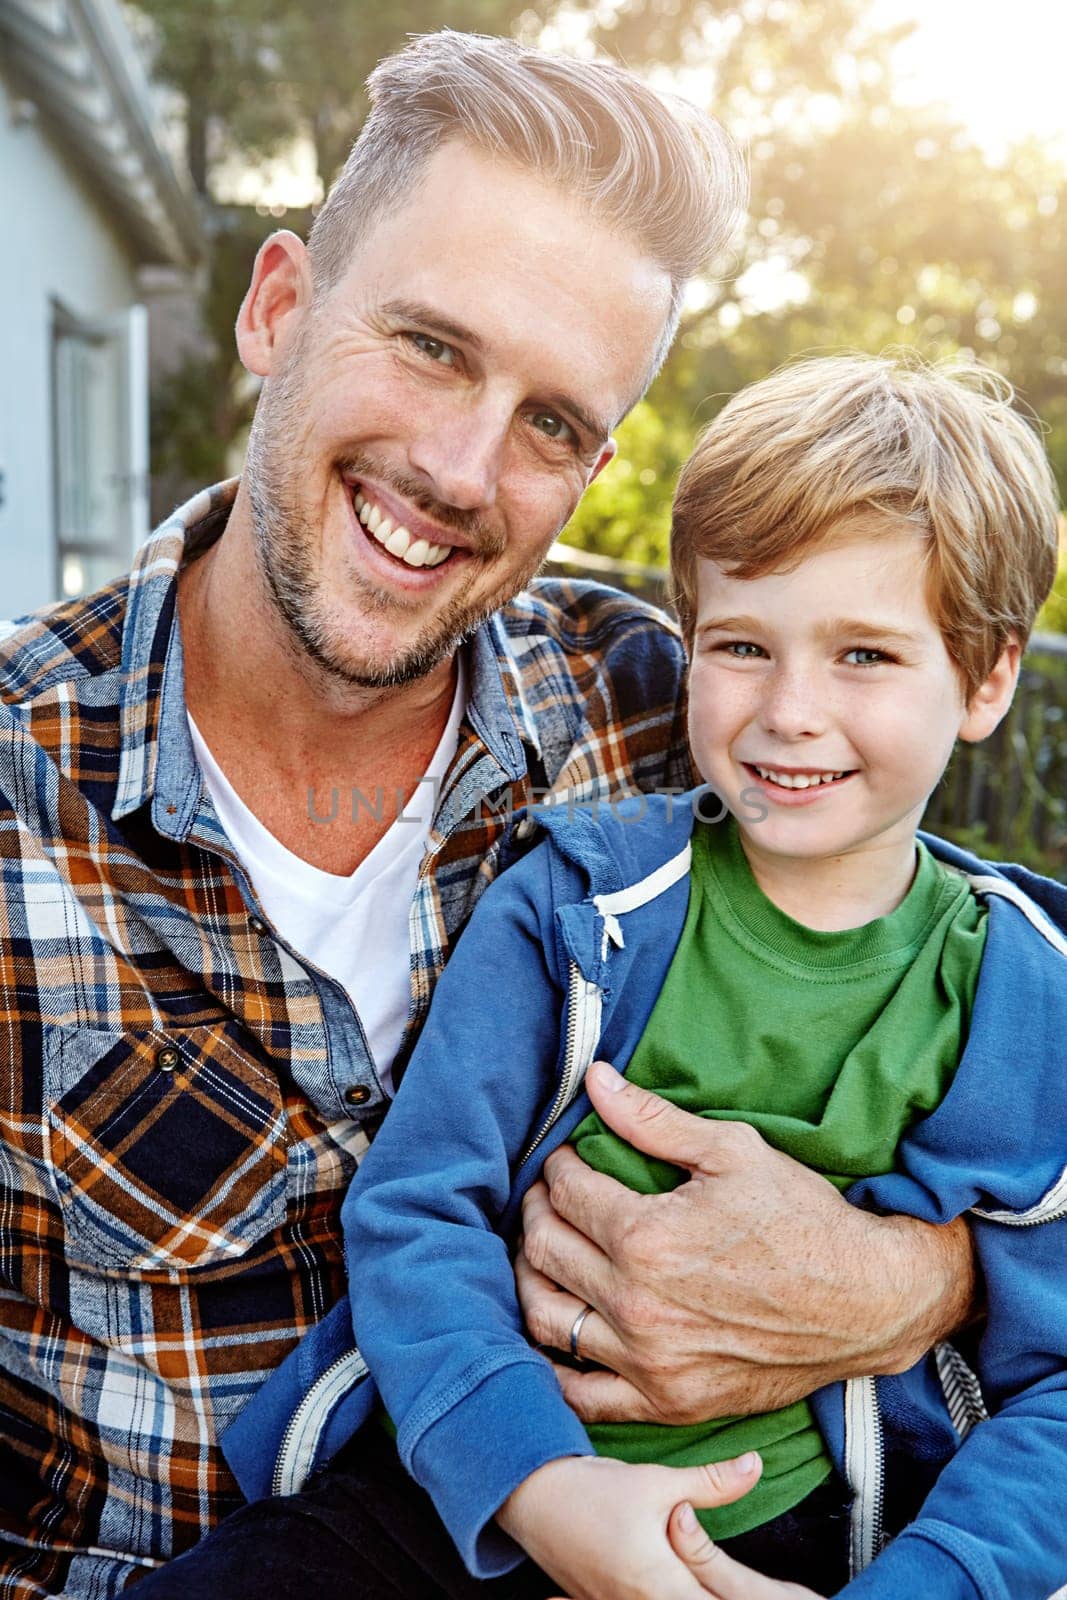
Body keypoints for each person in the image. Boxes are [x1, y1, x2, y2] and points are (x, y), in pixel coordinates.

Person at [0, 32, 972, 1600]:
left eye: (550, 423)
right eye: (432, 347)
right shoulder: (16, 798)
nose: (458, 470)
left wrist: (900, 1281)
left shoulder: (684, 724)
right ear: (276, 309)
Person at [244, 354, 1064, 1600]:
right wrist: (543, 1491)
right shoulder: (575, 903)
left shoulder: (1018, 993)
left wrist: (929, 1584)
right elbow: (417, 1212)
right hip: (472, 1489)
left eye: (863, 656)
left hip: (796, 1546)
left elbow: (1051, 1379)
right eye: (741, 643)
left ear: (985, 678)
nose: (789, 710)